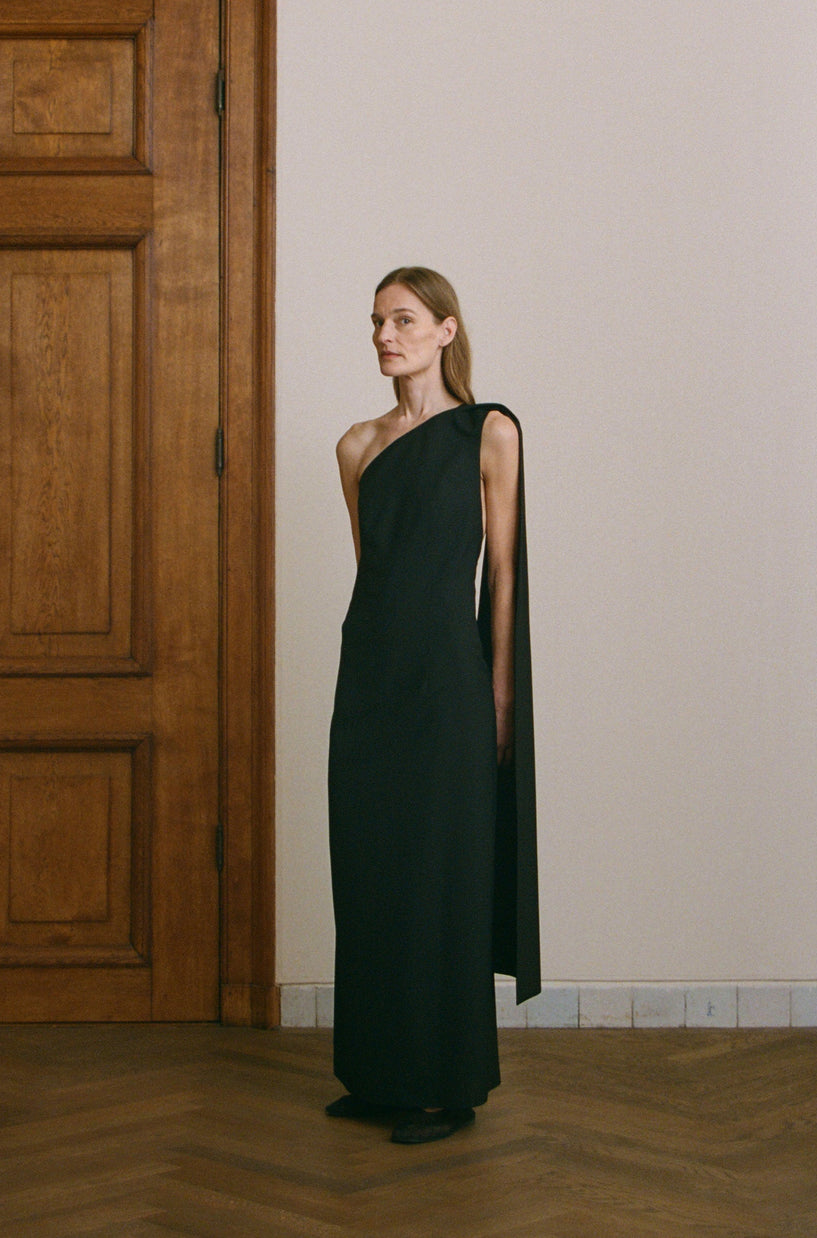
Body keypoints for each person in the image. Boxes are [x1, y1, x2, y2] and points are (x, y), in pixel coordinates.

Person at [327, 266, 539, 1145]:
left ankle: (445, 1087)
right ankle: (378, 1074)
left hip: (448, 687)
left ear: (446, 330)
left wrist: (498, 702)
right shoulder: (356, 446)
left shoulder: (489, 432)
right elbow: (377, 573)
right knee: (372, 874)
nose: (386, 335)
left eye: (404, 319)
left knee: (439, 881)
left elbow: (503, 573)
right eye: (377, 321)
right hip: (369, 686)